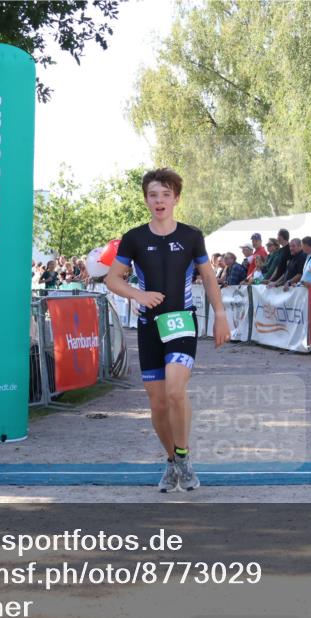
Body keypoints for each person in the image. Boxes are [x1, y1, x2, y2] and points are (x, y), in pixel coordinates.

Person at [104, 167, 229, 492]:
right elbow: (112, 279)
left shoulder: (190, 235)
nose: (159, 200)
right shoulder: (134, 238)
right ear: (146, 199)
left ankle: (184, 458)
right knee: (158, 402)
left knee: (175, 390)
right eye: (153, 195)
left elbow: (209, 277)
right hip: (149, 327)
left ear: (176, 199)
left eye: (165, 195)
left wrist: (220, 314)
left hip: (182, 322)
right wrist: (138, 294)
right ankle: (171, 461)